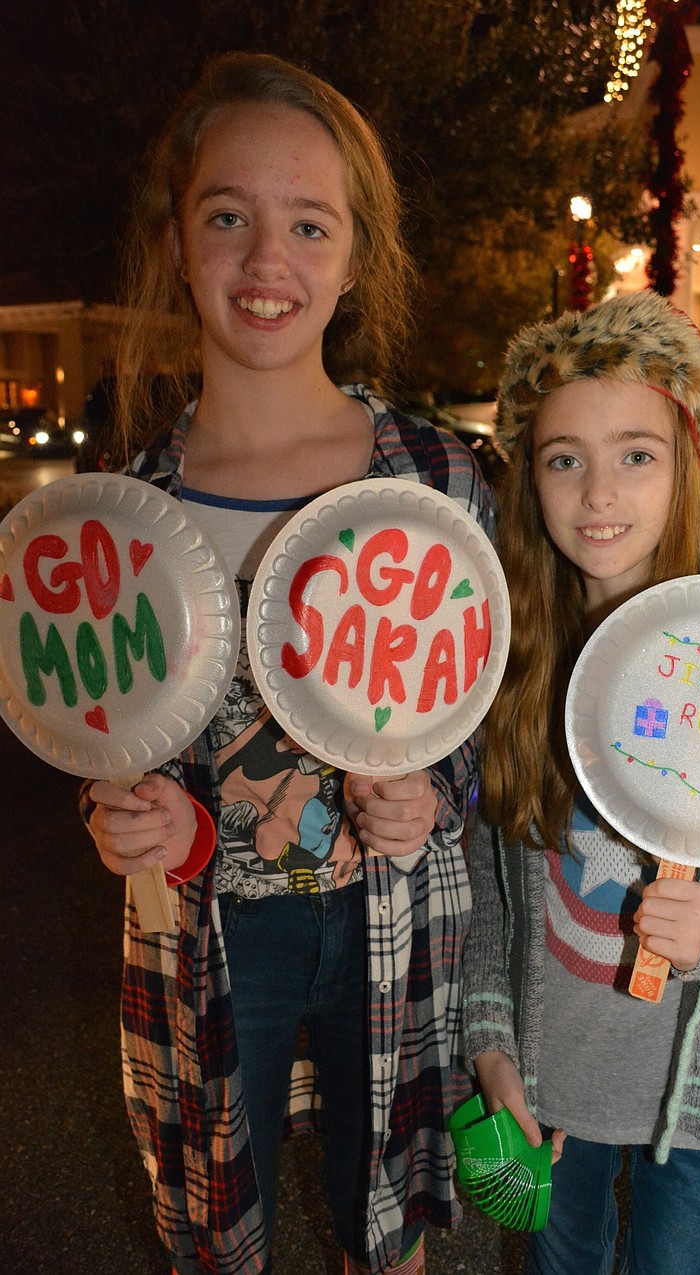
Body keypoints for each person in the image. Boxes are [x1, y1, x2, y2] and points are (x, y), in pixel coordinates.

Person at [83, 52, 494, 1275]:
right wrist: (119, 817)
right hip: (206, 941)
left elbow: (478, 717)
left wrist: (437, 790)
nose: (268, 261)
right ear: (175, 240)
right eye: (228, 217)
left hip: (396, 922)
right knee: (217, 1214)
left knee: (393, 1210)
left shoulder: (438, 483)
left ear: (355, 254)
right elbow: (98, 723)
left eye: (308, 223)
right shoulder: (128, 512)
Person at [461, 290, 700, 1275]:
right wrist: (492, 1037)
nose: (598, 493)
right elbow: (490, 890)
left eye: (635, 454)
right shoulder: (515, 661)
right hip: (557, 1082)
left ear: (694, 466)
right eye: (563, 459)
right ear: (529, 480)